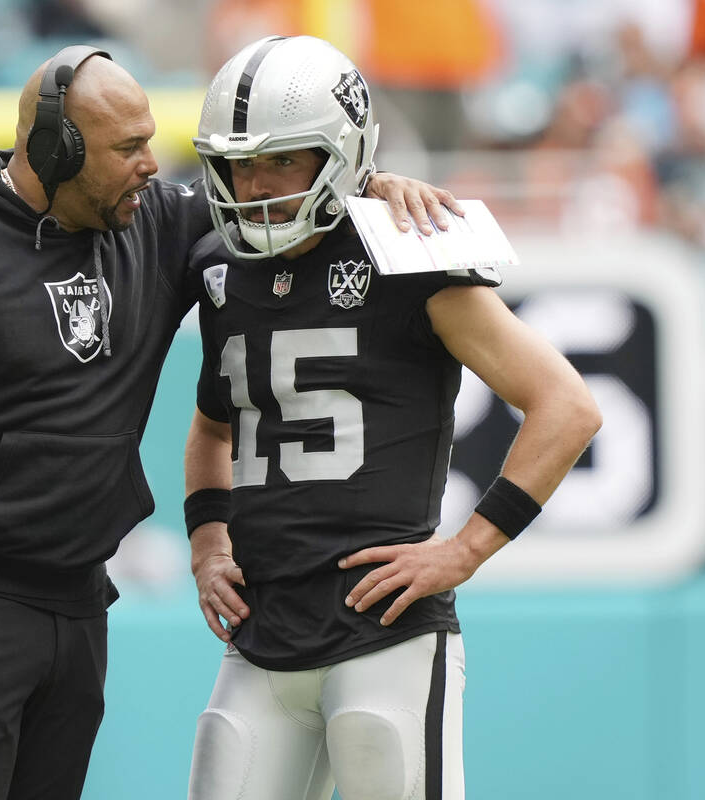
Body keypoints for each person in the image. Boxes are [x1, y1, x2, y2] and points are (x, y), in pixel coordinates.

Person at [0, 42, 466, 800]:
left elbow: (282, 206)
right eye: (129, 148)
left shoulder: (149, 224)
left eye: (151, 140)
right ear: (58, 150)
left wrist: (368, 182)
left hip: (79, 605)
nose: (152, 165)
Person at [182, 35, 601, 800]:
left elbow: (566, 406)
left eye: (282, 159)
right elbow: (213, 425)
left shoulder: (407, 251)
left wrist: (465, 550)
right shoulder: (219, 269)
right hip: (261, 635)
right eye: (238, 162)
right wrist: (209, 545)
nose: (253, 183)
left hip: (385, 638)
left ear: (342, 154)